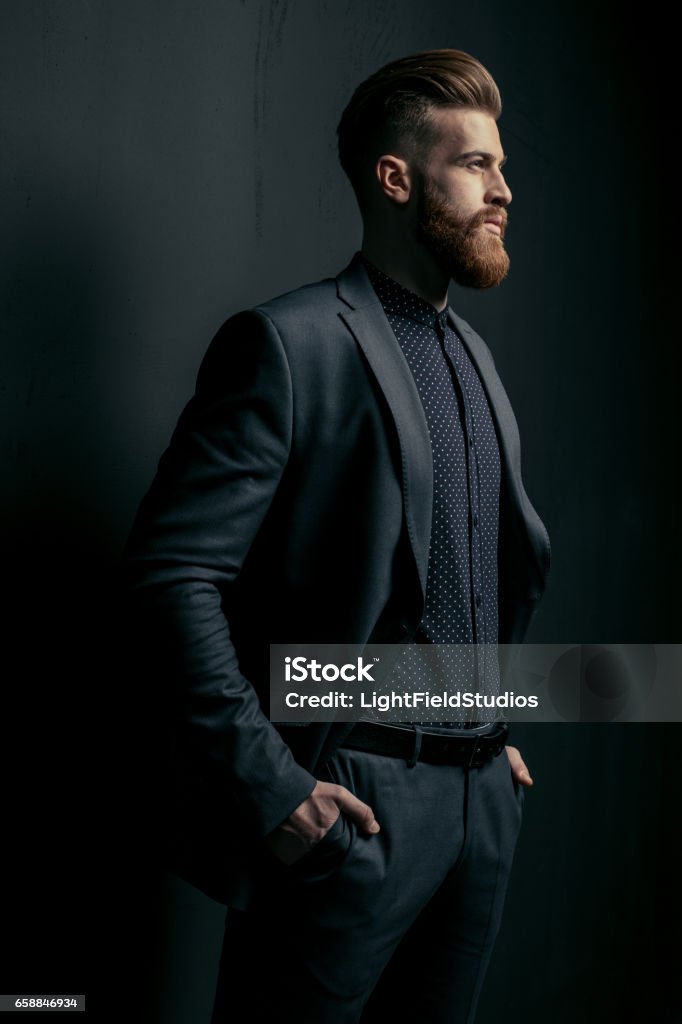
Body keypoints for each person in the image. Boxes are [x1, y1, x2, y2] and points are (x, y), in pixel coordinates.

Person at [123, 47, 551, 1024]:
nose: (504, 189)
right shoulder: (287, 344)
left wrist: (492, 726)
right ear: (395, 178)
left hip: (480, 807)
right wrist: (274, 788)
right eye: (475, 165)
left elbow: (457, 575)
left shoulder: (473, 355)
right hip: (352, 802)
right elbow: (171, 578)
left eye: (501, 166)